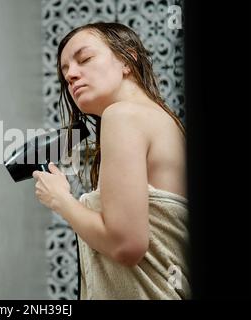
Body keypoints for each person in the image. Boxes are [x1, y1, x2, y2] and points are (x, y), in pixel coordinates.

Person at [32, 22, 190, 299]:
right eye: (65, 72)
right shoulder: (165, 121)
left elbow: (126, 246)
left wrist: (60, 200)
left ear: (128, 60)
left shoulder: (123, 116)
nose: (71, 75)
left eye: (85, 59)